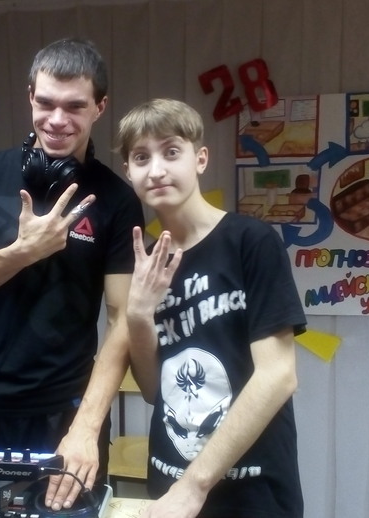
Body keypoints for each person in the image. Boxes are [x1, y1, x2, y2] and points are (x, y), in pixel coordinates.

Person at [0, 37, 144, 510]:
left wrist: (86, 428)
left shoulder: (116, 199)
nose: (57, 119)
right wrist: (22, 253)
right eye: (46, 103)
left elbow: (122, 321)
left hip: (64, 417)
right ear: (30, 95)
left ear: (100, 107)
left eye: (75, 107)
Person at [117, 98, 307, 518]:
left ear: (200, 159)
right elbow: (153, 390)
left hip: (251, 492)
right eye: (141, 157)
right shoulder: (148, 262)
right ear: (128, 171)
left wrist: (194, 486)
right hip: (169, 486)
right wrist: (138, 315)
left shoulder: (251, 242)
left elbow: (278, 375)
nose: (157, 170)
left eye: (171, 152)